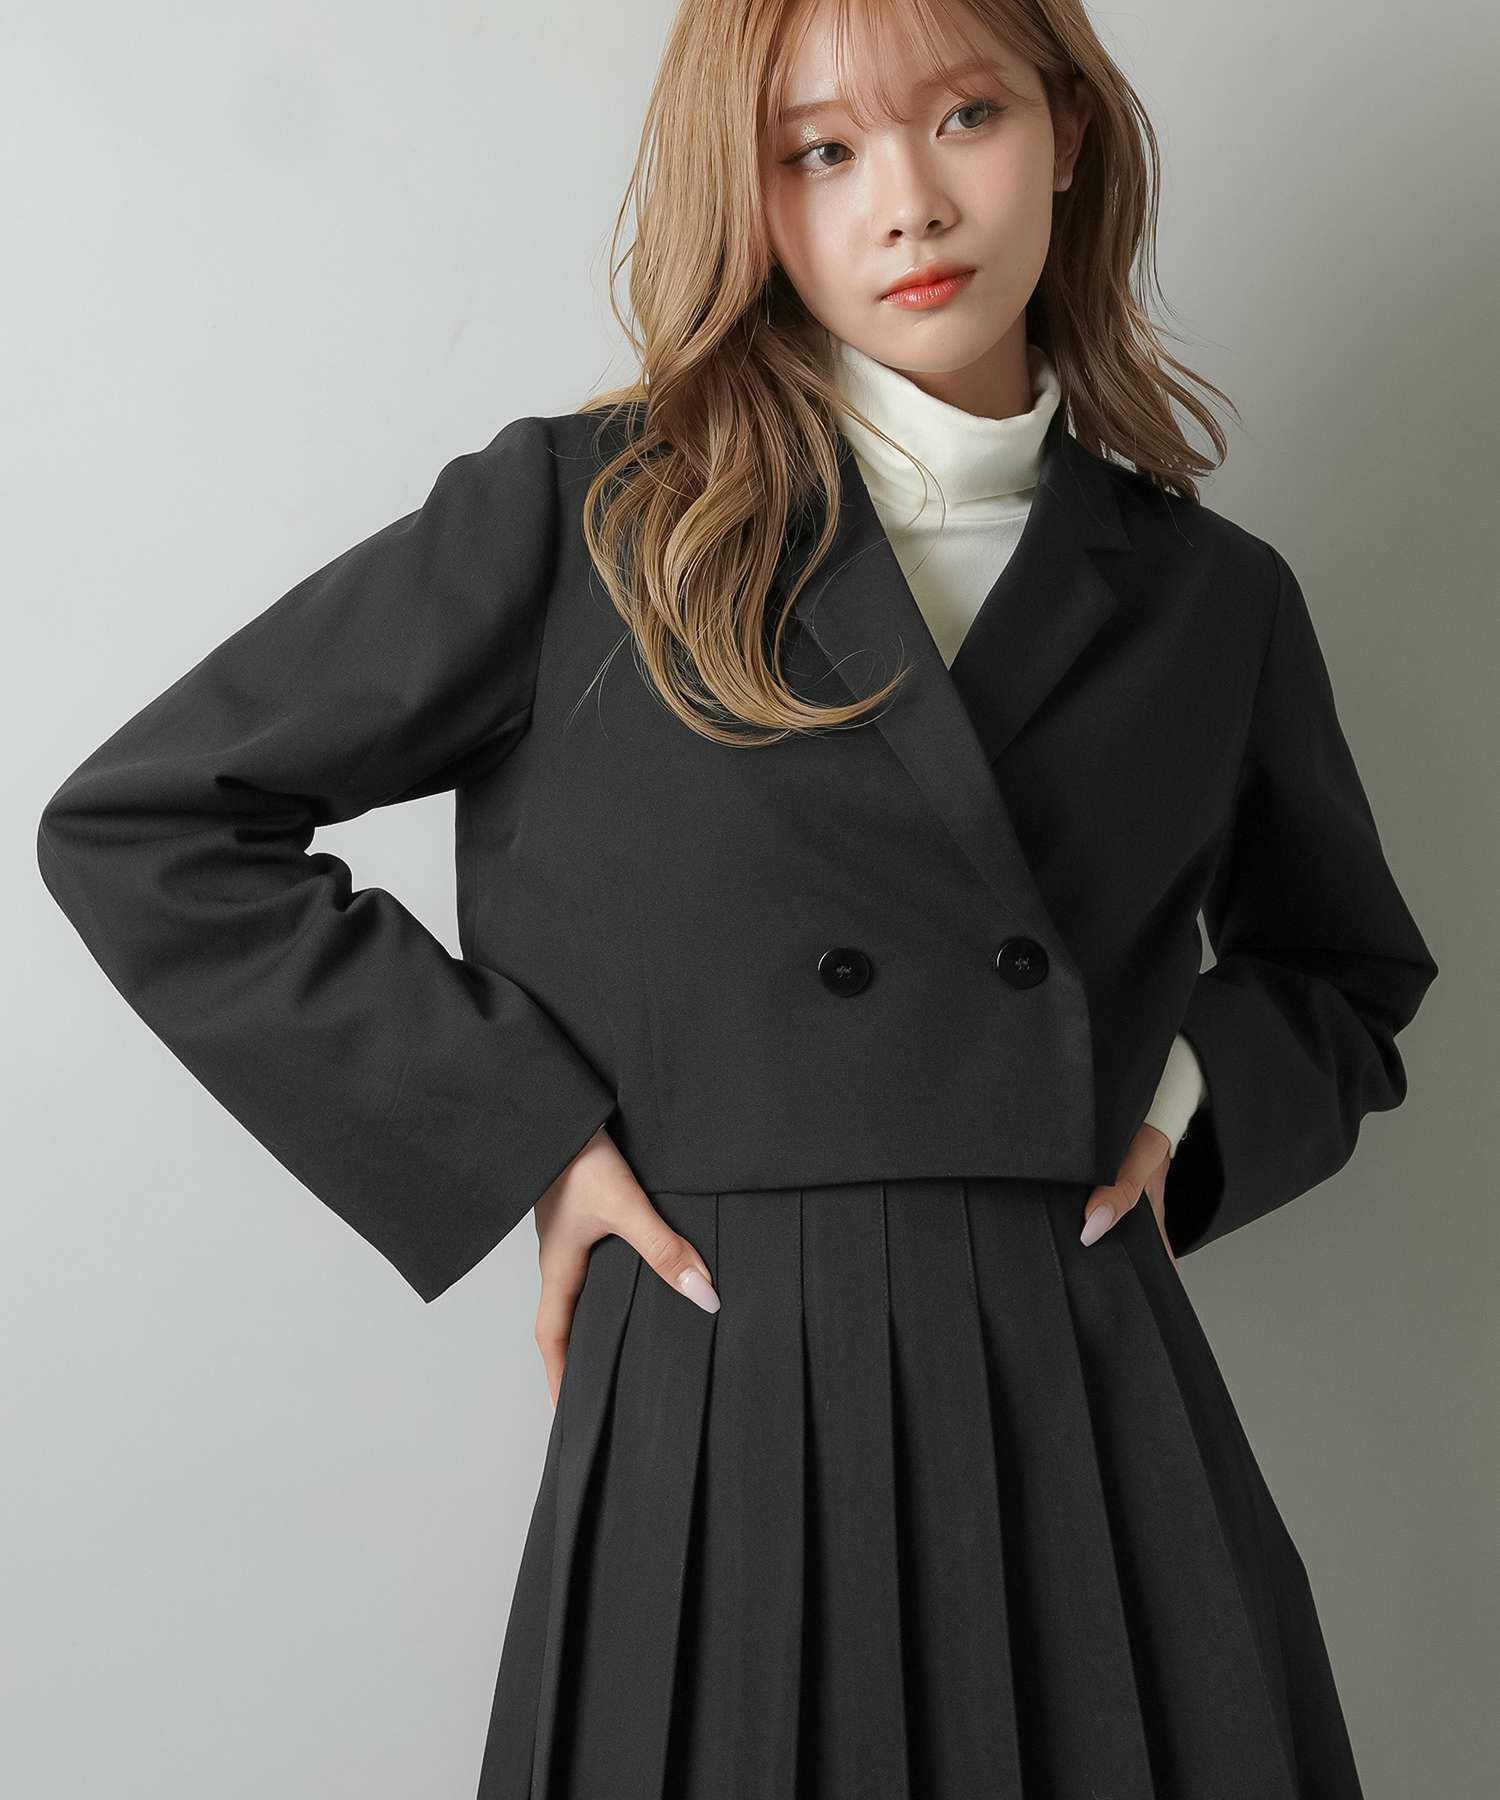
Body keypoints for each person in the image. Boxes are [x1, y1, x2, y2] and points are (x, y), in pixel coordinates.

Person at [36, 0, 1439, 1795]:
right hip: (723, 1358)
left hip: (1082, 1371)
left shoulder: (1211, 595)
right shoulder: (591, 515)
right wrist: (526, 1138)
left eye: (967, 115)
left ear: (1071, 132)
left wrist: (1183, 1108)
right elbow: (152, 822)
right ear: (750, 194)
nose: (909, 203)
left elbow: (1340, 966)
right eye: (821, 151)